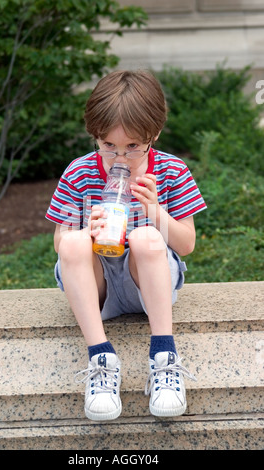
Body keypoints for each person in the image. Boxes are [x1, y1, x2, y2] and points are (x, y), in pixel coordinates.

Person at [46, 70, 206, 421]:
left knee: (145, 236)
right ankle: (101, 359)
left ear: (154, 135)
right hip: (96, 289)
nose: (120, 157)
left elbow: (188, 243)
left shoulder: (171, 172)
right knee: (72, 242)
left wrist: (154, 210)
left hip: (147, 285)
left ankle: (164, 359)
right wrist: (84, 230)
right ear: (95, 137)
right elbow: (61, 241)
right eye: (108, 146)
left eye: (133, 146)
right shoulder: (79, 173)